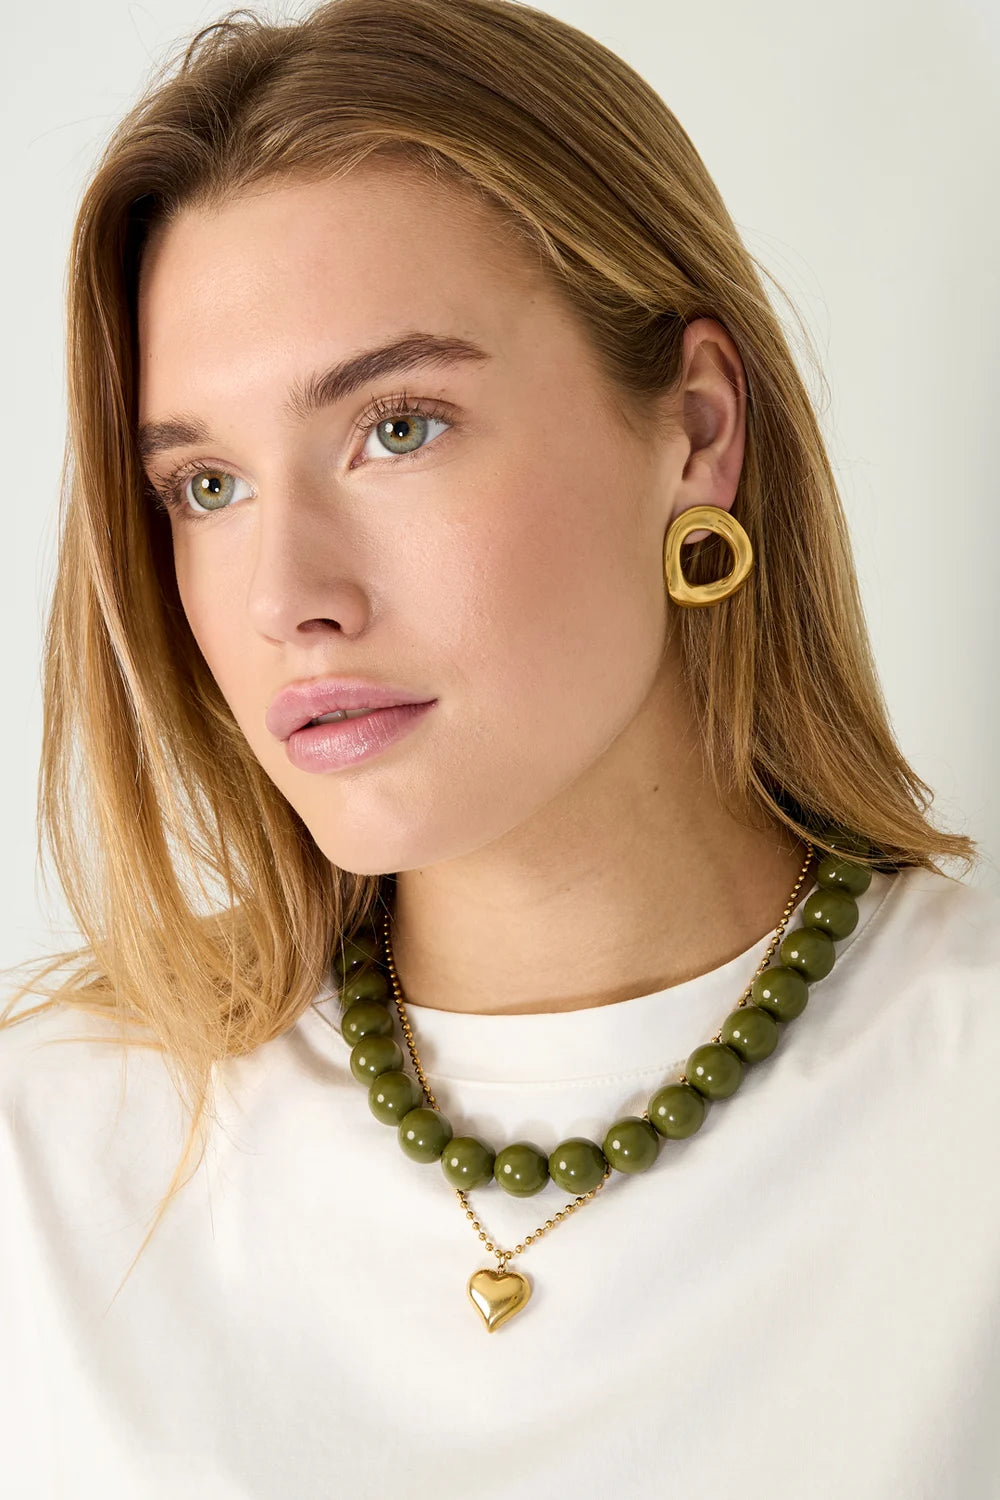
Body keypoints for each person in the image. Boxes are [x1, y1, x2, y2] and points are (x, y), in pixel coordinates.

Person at [1, 0, 997, 1495]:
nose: (286, 599)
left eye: (398, 427)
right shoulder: (50, 1154)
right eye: (207, 485)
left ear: (697, 429)